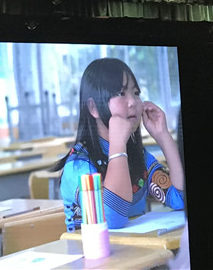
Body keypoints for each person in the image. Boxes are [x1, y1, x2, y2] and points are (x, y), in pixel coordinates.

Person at [53, 58, 185, 231]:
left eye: (136, 93)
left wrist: (163, 136)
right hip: (89, 249)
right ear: (93, 108)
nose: (132, 102)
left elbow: (181, 198)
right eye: (121, 93)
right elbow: (112, 219)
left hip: (135, 247)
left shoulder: (138, 156)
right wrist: (118, 146)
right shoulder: (78, 165)